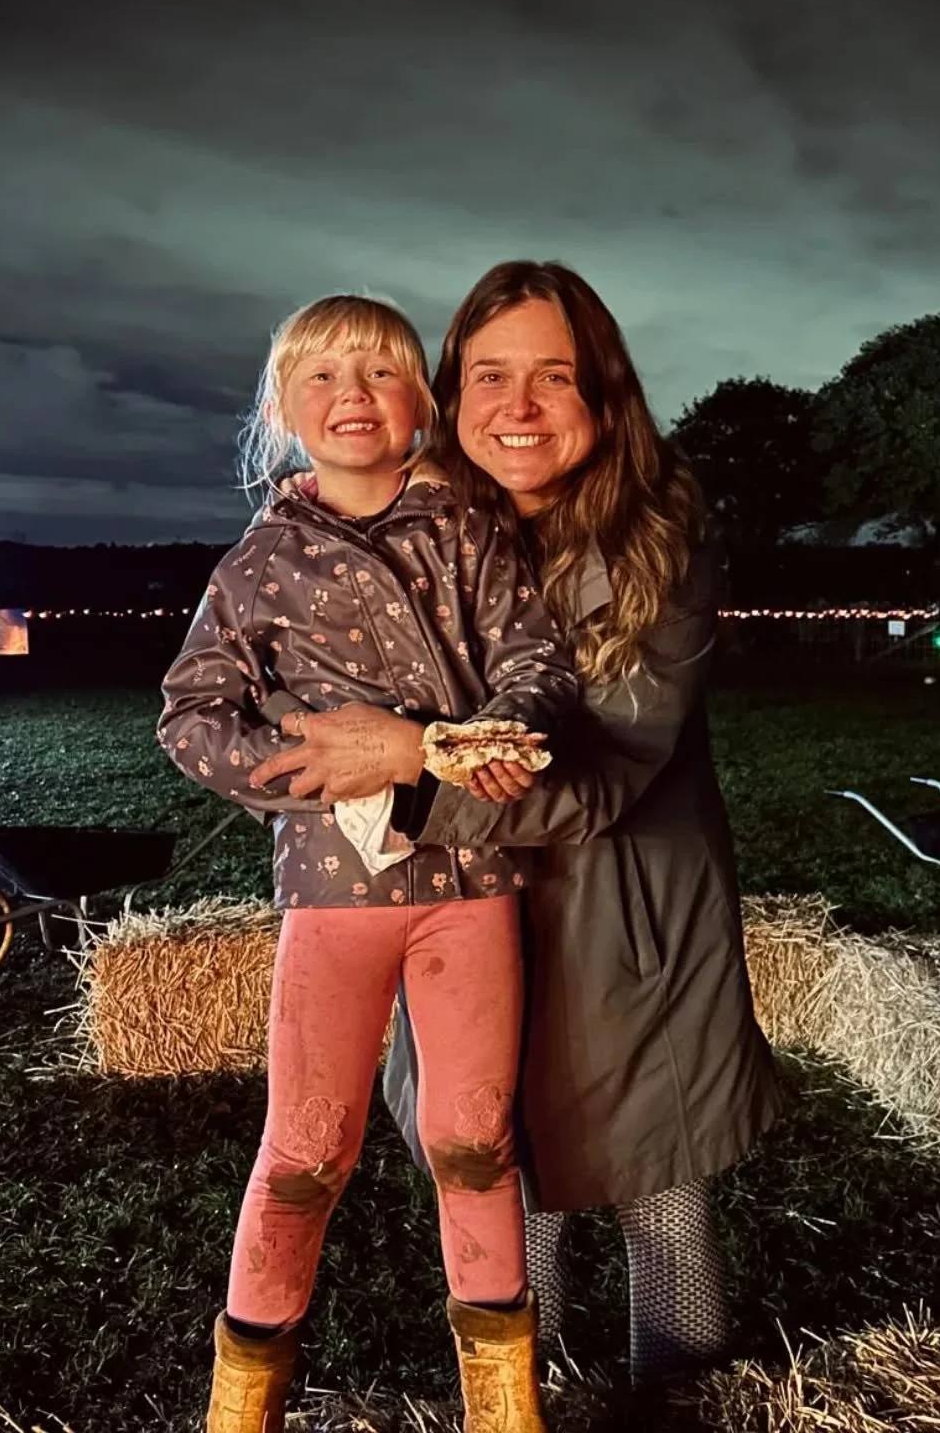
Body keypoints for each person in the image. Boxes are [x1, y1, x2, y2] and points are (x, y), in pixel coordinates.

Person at [249, 262, 783, 1387]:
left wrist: (404, 761)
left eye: (554, 376)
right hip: (455, 910)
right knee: (500, 1185)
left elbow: (603, 775)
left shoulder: (658, 542)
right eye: (490, 374)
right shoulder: (409, 528)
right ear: (451, 390)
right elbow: (291, 683)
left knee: (660, 1206)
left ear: (604, 394)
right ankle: (518, 1407)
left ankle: (665, 1406)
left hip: (627, 925)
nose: (518, 407)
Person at [158, 294, 576, 1433]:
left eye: (382, 376)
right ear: (283, 412)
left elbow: (534, 664)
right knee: (301, 1152)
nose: (356, 398)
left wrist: (488, 741)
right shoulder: (256, 565)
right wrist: (297, 771)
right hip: (334, 895)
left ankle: (505, 1409)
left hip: (466, 886)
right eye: (325, 379)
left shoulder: (471, 534)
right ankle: (238, 1409)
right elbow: (191, 716)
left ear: (420, 405)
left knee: (472, 1140)